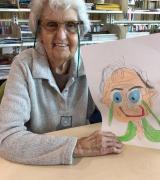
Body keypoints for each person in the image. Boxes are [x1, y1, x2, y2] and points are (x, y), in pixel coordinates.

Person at [0, 0, 123, 165]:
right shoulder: (23, 65)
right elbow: (7, 139)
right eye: (51, 25)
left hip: (83, 166)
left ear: (80, 30)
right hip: (35, 167)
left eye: (71, 25)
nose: (61, 36)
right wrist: (77, 147)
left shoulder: (94, 62)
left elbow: (131, 110)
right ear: (39, 32)